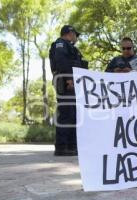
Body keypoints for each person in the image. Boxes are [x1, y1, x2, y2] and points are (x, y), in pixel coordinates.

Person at [49, 25, 88, 156]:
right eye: (76, 34)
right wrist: (68, 79)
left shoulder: (69, 47)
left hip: (74, 83)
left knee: (73, 114)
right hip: (66, 83)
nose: (77, 37)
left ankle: (72, 146)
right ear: (70, 33)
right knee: (66, 113)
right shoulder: (60, 44)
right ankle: (62, 146)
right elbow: (61, 62)